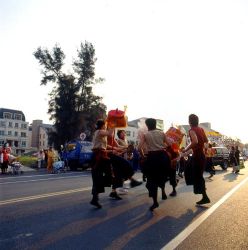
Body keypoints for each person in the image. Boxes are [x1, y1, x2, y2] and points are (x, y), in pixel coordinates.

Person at [139, 118, 171, 211]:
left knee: (152, 180)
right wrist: (162, 148)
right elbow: (169, 145)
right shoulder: (162, 133)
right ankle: (163, 190)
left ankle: (155, 202)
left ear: (147, 125)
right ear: (155, 124)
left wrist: (143, 156)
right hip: (163, 157)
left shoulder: (145, 135)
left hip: (152, 158)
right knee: (163, 175)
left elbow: (138, 148)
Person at [182, 114, 210, 205]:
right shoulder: (201, 129)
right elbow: (205, 143)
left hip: (197, 157)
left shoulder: (191, 130)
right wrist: (203, 150)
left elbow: (195, 142)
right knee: (196, 174)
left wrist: (185, 149)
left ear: (190, 121)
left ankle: (204, 196)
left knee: (195, 175)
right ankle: (202, 194)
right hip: (201, 156)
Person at [90, 119, 115, 208]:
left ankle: (94, 199)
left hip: (101, 155)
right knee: (107, 175)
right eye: (105, 125)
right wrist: (113, 124)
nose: (106, 126)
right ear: (103, 125)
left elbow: (103, 146)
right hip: (99, 157)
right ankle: (95, 197)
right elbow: (110, 134)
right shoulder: (100, 131)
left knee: (98, 177)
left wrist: (115, 149)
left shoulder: (100, 133)